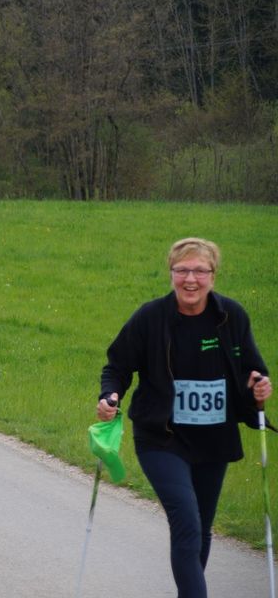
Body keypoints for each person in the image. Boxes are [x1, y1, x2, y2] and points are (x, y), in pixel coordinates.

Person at [97, 237, 272, 598]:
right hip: (162, 438)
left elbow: (251, 368)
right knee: (188, 524)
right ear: (171, 273)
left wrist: (257, 386)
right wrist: (109, 396)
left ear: (213, 275)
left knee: (201, 529)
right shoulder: (150, 318)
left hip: (214, 439)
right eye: (182, 270)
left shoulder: (231, 316)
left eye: (200, 271)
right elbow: (117, 366)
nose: (190, 279)